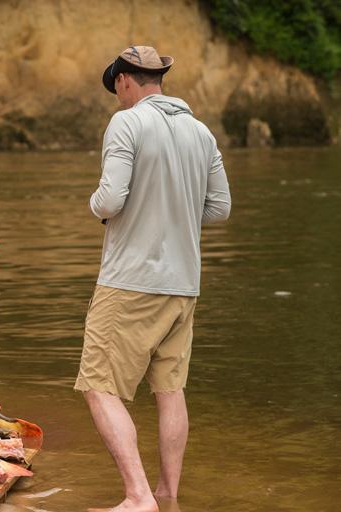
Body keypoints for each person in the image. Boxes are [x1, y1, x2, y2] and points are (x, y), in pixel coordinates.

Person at [73, 46, 231, 511]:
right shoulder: (201, 132)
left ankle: (138, 498)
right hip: (184, 286)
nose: (117, 95)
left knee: (98, 385)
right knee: (170, 390)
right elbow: (220, 208)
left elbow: (109, 200)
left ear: (125, 79)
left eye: (116, 86)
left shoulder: (127, 122)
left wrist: (96, 205)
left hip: (131, 280)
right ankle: (168, 495)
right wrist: (174, 212)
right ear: (159, 77)